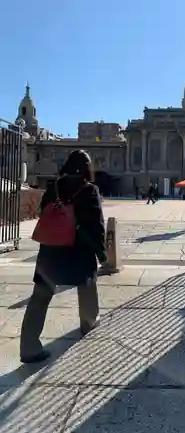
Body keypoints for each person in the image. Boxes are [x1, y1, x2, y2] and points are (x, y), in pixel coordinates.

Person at [20, 150, 107, 364]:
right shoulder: (89, 190)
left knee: (40, 297)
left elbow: (44, 213)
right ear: (88, 169)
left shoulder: (54, 188)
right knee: (87, 285)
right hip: (78, 251)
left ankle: (29, 347)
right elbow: (96, 225)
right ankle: (88, 323)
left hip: (50, 251)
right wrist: (102, 252)